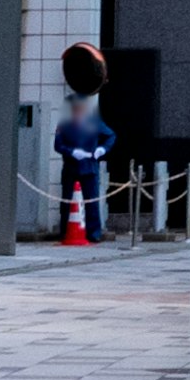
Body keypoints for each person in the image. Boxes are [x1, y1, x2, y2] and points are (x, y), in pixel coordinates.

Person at [56, 44, 112, 241]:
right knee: (66, 202)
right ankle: (65, 232)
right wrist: (71, 152)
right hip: (71, 167)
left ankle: (93, 233)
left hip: (89, 167)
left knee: (91, 202)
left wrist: (101, 149)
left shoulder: (93, 121)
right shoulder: (65, 124)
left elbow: (110, 135)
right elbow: (58, 145)